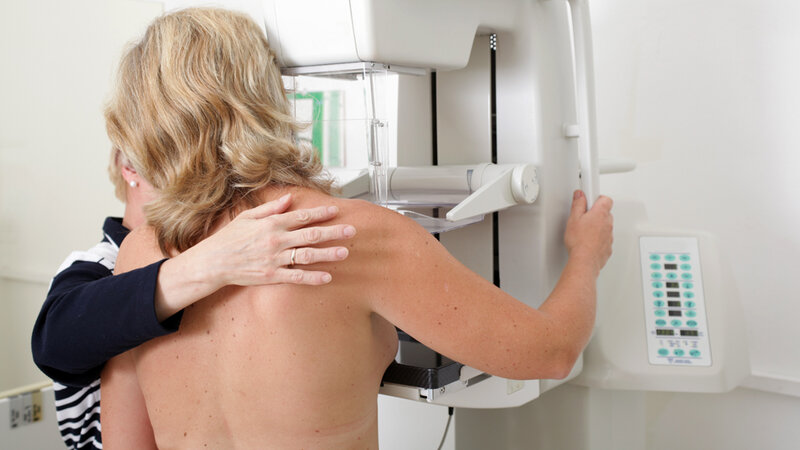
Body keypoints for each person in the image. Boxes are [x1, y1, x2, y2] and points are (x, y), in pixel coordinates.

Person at [99, 7, 614, 449]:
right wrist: (586, 257)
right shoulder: (348, 234)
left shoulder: (138, 257)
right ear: (265, 91)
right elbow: (552, 352)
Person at [32, 109, 355, 449]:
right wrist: (210, 263)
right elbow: (53, 342)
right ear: (130, 169)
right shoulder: (97, 262)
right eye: (171, 157)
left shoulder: (241, 251)